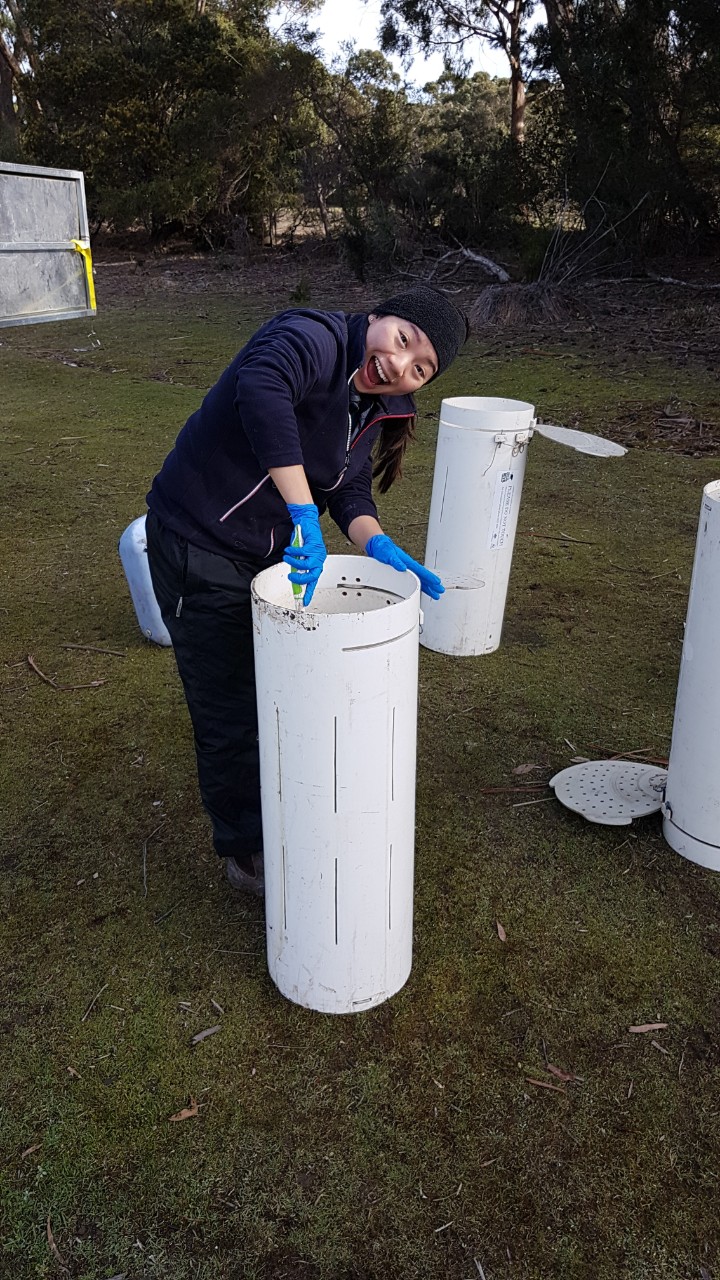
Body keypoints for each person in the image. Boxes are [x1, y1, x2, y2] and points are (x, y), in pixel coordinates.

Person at [145, 284, 469, 896]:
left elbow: (346, 490)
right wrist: (300, 512)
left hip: (265, 560)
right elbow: (260, 392)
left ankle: (282, 811)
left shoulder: (377, 404)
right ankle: (246, 853)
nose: (400, 366)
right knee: (230, 707)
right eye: (402, 341)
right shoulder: (311, 337)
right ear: (377, 317)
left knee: (277, 690)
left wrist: (376, 543)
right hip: (197, 540)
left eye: (421, 368)